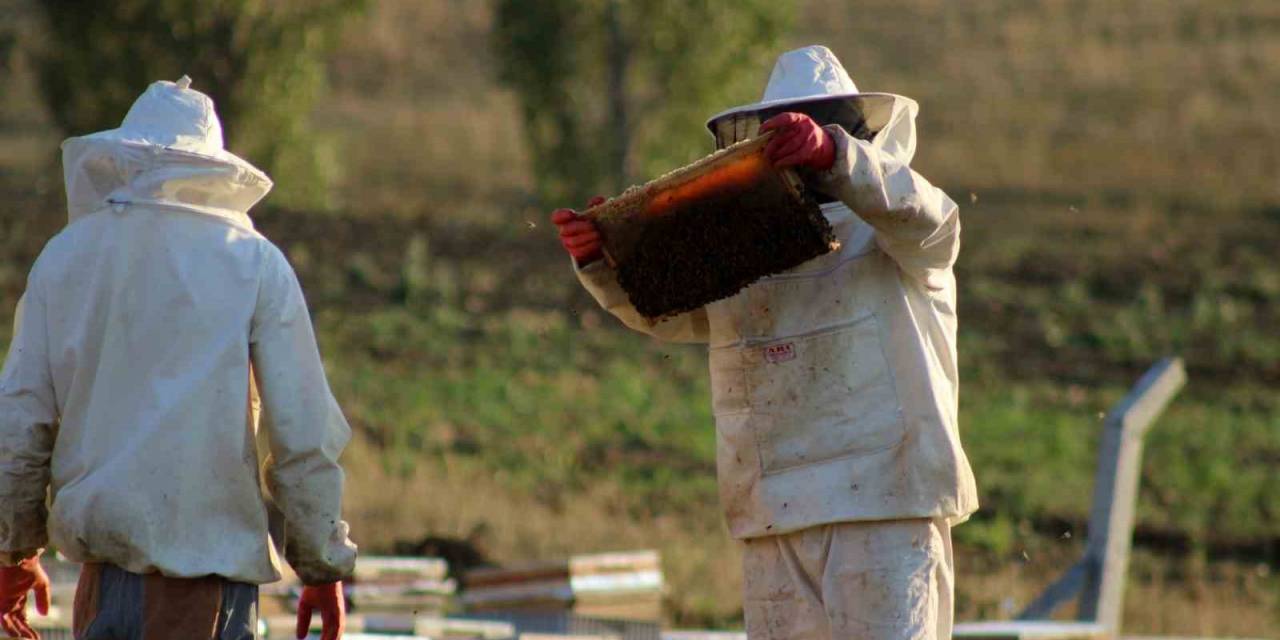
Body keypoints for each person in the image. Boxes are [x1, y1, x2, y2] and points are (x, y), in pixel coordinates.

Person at [552, 45, 977, 640]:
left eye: (818, 127)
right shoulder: (742, 244)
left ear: (852, 130)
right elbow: (665, 309)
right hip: (773, 510)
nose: (797, 148)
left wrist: (835, 157)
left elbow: (931, 218)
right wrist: (603, 260)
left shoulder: (899, 237)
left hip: (884, 505)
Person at [0, 77, 356, 640]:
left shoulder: (65, 256)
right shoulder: (254, 263)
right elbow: (303, 432)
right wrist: (321, 561)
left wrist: (14, 552)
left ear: (128, 156)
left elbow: (20, 420)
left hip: (99, 585)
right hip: (203, 587)